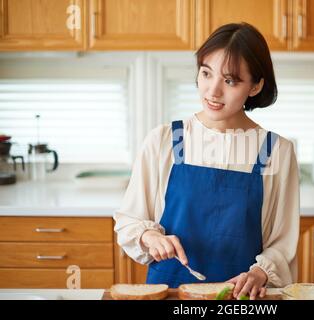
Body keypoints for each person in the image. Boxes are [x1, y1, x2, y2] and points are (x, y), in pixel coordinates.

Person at [114, 22, 300, 300]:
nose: (212, 92)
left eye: (230, 81)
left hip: (240, 298)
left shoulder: (276, 151)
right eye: (206, 73)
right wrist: (150, 237)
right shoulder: (164, 140)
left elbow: (282, 243)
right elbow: (130, 221)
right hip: (171, 292)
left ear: (255, 85)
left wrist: (261, 273)